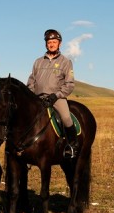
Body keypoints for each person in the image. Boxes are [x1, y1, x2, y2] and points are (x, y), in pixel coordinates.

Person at [26, 29, 79, 158]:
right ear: (46, 44)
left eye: (54, 42)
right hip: (38, 99)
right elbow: (31, 81)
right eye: (49, 42)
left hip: (56, 98)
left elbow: (69, 84)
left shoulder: (65, 62)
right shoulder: (38, 62)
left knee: (66, 118)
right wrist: (32, 96)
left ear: (59, 44)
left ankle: (72, 145)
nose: (51, 44)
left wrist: (56, 95)